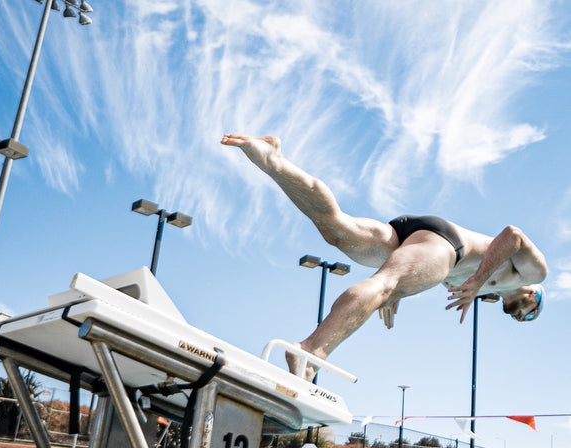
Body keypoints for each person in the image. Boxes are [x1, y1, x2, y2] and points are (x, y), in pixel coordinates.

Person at [221, 133, 548, 379]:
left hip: (417, 238)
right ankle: (308, 353)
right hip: (448, 242)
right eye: (530, 315)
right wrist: (474, 281)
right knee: (384, 284)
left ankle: (275, 160)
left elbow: (424, 266)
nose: (521, 318)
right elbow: (513, 235)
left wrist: (401, 291)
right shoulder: (533, 275)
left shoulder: (488, 288)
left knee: (336, 229)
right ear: (534, 298)